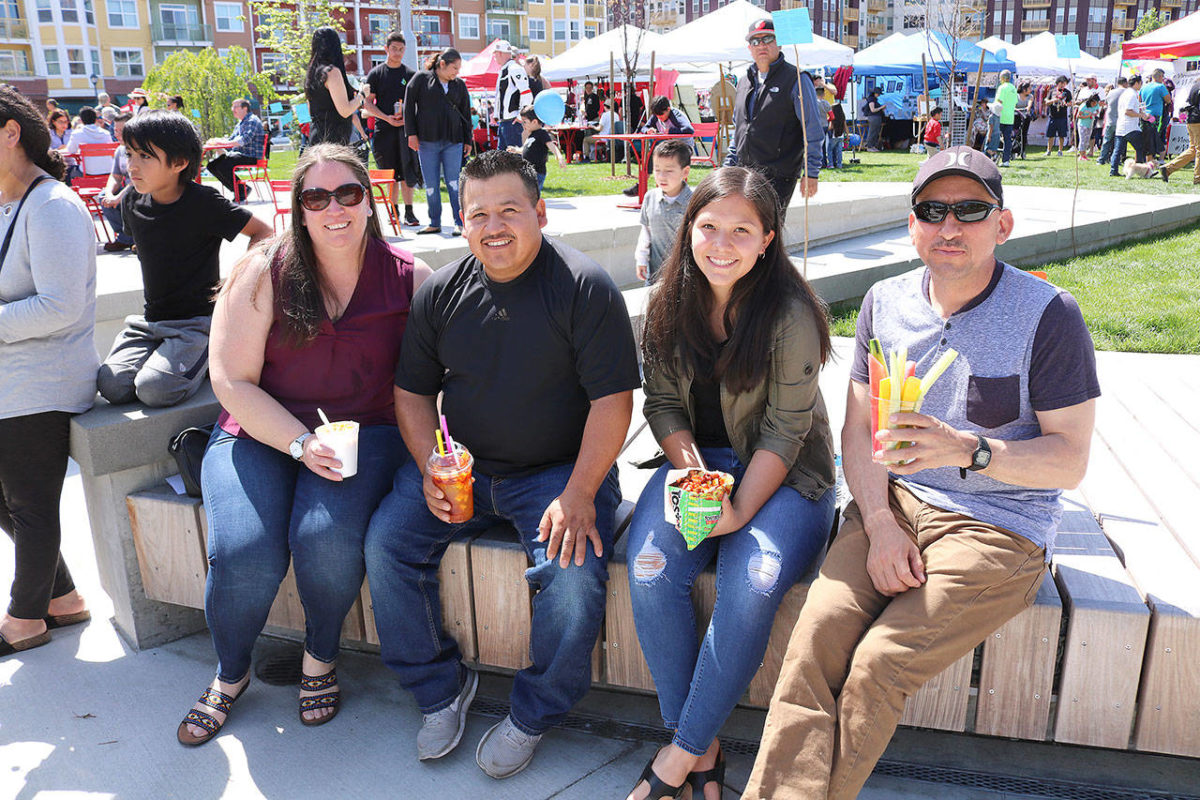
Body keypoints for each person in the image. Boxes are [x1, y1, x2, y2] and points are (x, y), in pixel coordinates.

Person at [744, 145, 1100, 799]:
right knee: (815, 642)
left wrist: (969, 449)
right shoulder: (886, 302)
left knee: (878, 664)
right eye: (932, 210)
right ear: (911, 224)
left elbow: (1070, 459)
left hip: (1001, 525)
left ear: (1003, 223)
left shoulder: (1049, 315)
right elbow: (859, 429)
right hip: (893, 504)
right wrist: (878, 521)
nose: (949, 226)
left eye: (970, 209)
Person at [363, 150, 639, 779]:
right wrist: (430, 463)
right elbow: (410, 392)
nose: (494, 226)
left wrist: (579, 493)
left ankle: (535, 712)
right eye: (477, 213)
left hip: (559, 473)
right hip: (462, 469)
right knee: (386, 544)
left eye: (510, 210)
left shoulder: (583, 286)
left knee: (570, 580)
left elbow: (613, 402)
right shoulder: (442, 291)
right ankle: (438, 689)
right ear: (462, 222)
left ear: (540, 211)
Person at [176, 143, 431, 745]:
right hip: (260, 431)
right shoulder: (263, 269)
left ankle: (320, 658)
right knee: (244, 551)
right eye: (316, 197)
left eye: (348, 193)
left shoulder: (409, 278)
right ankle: (230, 672)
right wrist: (296, 442)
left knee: (326, 541)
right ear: (299, 208)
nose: (333, 208)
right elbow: (231, 380)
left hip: (363, 436)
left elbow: (427, 383)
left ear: (371, 200)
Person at [624, 166, 835, 800]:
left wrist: (738, 510)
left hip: (786, 472)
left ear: (768, 238)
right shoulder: (668, 298)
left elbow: (786, 430)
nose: (722, 243)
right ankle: (705, 752)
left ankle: (676, 759)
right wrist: (693, 473)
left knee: (755, 579)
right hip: (697, 461)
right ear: (689, 227)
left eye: (742, 230)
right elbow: (661, 404)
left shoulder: (790, 313)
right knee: (652, 569)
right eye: (709, 226)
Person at [0, 87, 97, 659]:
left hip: (42, 382)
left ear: (11, 132)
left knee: (32, 507)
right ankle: (62, 597)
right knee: (9, 504)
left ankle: (23, 617)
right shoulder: (9, 203)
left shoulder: (53, 206)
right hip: (12, 378)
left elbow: (60, 305)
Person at [96, 111, 272, 408]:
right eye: (129, 154)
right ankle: (174, 359)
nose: (132, 166)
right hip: (149, 321)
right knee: (111, 386)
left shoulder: (203, 202)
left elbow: (263, 232)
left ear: (179, 163)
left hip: (196, 323)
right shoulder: (131, 200)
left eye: (144, 156)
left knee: (155, 390)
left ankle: (207, 353)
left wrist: (237, 287)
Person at [724, 18, 824, 216]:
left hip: (778, 175)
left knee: (768, 232)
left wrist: (811, 172)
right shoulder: (744, 82)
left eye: (768, 38)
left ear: (779, 42)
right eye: (755, 41)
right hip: (745, 173)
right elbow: (739, 130)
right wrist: (728, 167)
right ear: (749, 47)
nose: (761, 45)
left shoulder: (796, 79)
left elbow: (812, 130)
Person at [404, 48, 472, 237]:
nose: (456, 72)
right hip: (427, 141)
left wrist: (468, 139)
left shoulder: (459, 85)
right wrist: (411, 134)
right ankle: (434, 222)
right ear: (442, 64)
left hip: (453, 141)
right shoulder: (420, 79)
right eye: (454, 68)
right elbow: (408, 107)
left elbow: (466, 113)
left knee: (454, 183)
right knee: (431, 184)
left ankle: (460, 222)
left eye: (458, 69)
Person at [364, 31, 422, 228]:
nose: (397, 53)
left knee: (407, 171)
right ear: (386, 49)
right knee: (390, 174)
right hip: (383, 130)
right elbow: (368, 104)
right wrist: (386, 118)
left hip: (405, 130)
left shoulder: (410, 75)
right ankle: (393, 210)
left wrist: (407, 119)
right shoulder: (376, 74)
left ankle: (409, 211)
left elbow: (417, 104)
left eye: (401, 49)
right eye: (394, 49)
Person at [635, 138, 692, 284]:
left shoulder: (693, 202)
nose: (661, 176)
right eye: (657, 170)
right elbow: (646, 232)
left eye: (668, 171)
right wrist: (641, 259)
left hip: (684, 276)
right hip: (655, 273)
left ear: (685, 171)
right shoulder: (650, 198)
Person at [305, 26, 364, 146]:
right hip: (334, 139)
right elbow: (345, 111)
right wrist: (362, 94)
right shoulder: (332, 72)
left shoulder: (312, 73)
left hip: (316, 137)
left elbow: (310, 110)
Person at [204, 99, 266, 203]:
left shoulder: (252, 120)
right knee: (212, 166)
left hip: (251, 156)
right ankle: (239, 190)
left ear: (244, 108)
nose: (233, 109)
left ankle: (242, 190)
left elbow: (244, 140)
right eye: (232, 107)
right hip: (240, 155)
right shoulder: (240, 123)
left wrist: (223, 143)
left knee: (225, 164)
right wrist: (218, 142)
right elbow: (230, 141)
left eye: (235, 107)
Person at [507, 104, 565, 194]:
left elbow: (552, 146)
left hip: (537, 173)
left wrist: (559, 157)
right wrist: (516, 150)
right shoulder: (531, 135)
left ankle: (534, 207)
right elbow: (526, 149)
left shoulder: (542, 134)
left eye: (525, 122)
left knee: (532, 196)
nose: (523, 125)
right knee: (525, 195)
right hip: (528, 172)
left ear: (534, 121)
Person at [99, 112, 134, 252]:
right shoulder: (120, 150)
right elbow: (115, 176)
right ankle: (125, 237)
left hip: (141, 188)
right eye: (115, 131)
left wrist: (118, 197)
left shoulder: (141, 149)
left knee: (129, 197)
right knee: (103, 197)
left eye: (121, 131)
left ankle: (132, 238)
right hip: (127, 187)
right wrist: (109, 194)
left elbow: (138, 180)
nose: (117, 134)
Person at [1161, 79, 1200, 185]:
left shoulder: (1195, 85)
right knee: (1198, 150)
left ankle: (1168, 169)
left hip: (1191, 119)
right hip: (1198, 121)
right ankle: (1198, 178)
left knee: (1193, 150)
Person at [1110, 76, 1148, 178]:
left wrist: (1139, 112)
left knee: (1117, 151)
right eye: (1140, 83)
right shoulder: (1132, 94)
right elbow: (1128, 111)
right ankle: (1141, 170)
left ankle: (1113, 170)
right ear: (1137, 83)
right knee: (1140, 147)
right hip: (1130, 127)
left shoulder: (1125, 94)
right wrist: (1141, 115)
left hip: (1121, 126)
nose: (1141, 85)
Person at [494, 41, 529, 151]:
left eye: (495, 53)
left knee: (513, 161)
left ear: (500, 53)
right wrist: (496, 115)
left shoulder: (514, 69)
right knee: (503, 160)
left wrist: (520, 116)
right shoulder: (505, 70)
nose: (494, 57)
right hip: (505, 121)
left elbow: (526, 93)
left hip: (512, 121)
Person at [62, 106, 115, 179]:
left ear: (81, 120)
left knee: (68, 172)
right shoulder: (106, 133)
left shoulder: (77, 134)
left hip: (87, 172)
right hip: (108, 170)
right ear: (95, 119)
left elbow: (71, 151)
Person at [1140, 69, 1170, 159]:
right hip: (1155, 116)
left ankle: (1144, 158)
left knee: (1146, 137)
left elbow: (1140, 100)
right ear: (1160, 77)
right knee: (1155, 137)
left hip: (1144, 115)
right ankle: (1152, 159)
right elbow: (1168, 100)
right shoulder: (1161, 87)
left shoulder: (1144, 87)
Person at [1098, 76, 1128, 167]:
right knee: (1118, 143)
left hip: (1110, 120)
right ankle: (1116, 160)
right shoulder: (1127, 92)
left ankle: (1101, 159)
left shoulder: (1111, 92)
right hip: (1121, 121)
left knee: (1106, 141)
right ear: (1125, 83)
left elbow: (1105, 103)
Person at [582, 98, 617, 162]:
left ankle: (586, 157)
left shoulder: (605, 115)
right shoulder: (616, 115)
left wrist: (592, 127)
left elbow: (599, 128)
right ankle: (597, 155)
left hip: (603, 137)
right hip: (612, 137)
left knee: (586, 140)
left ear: (605, 106)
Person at [1044, 76, 1071, 156]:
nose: (1063, 85)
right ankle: (1048, 150)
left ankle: (1060, 150)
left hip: (1062, 116)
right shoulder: (1052, 91)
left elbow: (1071, 102)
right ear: (1057, 83)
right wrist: (1054, 100)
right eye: (1061, 83)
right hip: (1052, 115)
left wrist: (1066, 104)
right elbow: (1046, 101)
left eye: (1064, 83)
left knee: (1061, 135)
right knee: (1050, 134)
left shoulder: (1067, 92)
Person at [995, 69, 1017, 166]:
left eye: (1000, 78)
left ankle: (993, 157)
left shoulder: (1002, 88)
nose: (1000, 80)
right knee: (1007, 139)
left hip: (1000, 116)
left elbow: (999, 102)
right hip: (1010, 118)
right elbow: (1015, 102)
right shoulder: (1013, 88)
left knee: (995, 137)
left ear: (1003, 78)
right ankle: (1006, 160)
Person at [1076, 95, 1101, 161]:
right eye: (1094, 103)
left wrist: (1094, 113)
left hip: (1090, 124)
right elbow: (1078, 116)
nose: (1095, 104)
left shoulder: (1096, 105)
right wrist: (1087, 116)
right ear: (1091, 101)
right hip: (1082, 125)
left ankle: (1084, 155)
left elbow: (1097, 111)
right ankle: (1081, 155)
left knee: (1087, 140)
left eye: (1096, 103)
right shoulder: (1083, 106)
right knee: (1082, 140)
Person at [1015, 82, 1034, 160]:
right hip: (1016, 115)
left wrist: (1027, 109)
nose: (1031, 90)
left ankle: (1023, 150)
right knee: (1016, 133)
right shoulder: (1016, 96)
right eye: (1029, 88)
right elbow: (1013, 105)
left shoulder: (1030, 96)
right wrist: (1017, 109)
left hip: (1025, 116)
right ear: (1024, 89)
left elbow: (1029, 105)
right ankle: (1015, 149)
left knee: (1024, 134)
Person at [828, 101, 847, 169]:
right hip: (841, 136)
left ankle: (831, 164)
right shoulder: (842, 115)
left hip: (834, 136)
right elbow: (845, 126)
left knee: (829, 150)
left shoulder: (833, 116)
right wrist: (847, 135)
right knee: (839, 151)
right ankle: (839, 164)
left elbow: (831, 127)